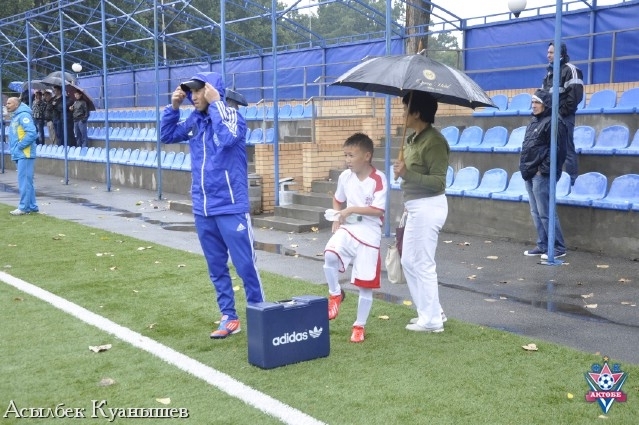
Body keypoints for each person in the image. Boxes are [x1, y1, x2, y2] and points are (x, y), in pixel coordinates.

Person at [160, 71, 264, 339]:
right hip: (203, 208)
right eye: (191, 92)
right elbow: (167, 135)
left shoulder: (233, 117)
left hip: (230, 206)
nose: (193, 97)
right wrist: (173, 108)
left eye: (198, 91)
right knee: (216, 268)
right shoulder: (194, 120)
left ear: (211, 90)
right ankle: (229, 317)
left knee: (245, 266)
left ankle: (259, 313)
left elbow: (228, 138)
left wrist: (217, 103)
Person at [392, 91, 449, 333]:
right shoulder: (412, 139)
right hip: (415, 206)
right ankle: (431, 311)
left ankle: (432, 321)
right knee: (408, 260)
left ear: (416, 112)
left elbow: (438, 182)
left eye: (405, 109)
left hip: (429, 206)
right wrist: (402, 173)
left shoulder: (434, 142)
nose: (402, 113)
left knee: (423, 262)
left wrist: (407, 174)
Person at [323, 132, 387, 343]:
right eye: (346, 155)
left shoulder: (378, 179)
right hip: (349, 228)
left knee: (365, 285)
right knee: (330, 254)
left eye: (351, 155)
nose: (347, 160)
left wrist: (349, 210)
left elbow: (377, 210)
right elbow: (337, 199)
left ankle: (359, 326)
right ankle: (335, 294)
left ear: (367, 156)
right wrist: (337, 217)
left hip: (370, 233)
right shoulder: (345, 177)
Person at [521, 89, 569, 260]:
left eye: (537, 102)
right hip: (530, 172)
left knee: (546, 212)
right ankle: (543, 245)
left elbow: (559, 150)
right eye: (532, 102)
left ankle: (558, 247)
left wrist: (543, 170)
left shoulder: (555, 122)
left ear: (546, 104)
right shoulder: (534, 121)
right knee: (536, 212)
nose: (533, 105)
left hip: (542, 174)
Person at [541, 42, 583, 185]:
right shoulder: (549, 74)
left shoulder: (571, 70)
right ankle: (554, 182)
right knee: (549, 149)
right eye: (548, 52)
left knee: (567, 149)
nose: (548, 55)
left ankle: (572, 183)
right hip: (550, 118)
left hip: (564, 117)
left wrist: (560, 114)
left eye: (551, 52)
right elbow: (543, 96)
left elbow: (575, 97)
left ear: (560, 53)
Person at [6, 97, 39, 215]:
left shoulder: (23, 116)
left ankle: (23, 207)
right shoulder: (16, 116)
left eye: (9, 103)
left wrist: (20, 146)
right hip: (20, 153)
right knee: (27, 181)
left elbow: (32, 133)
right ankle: (32, 206)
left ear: (16, 104)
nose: (7, 105)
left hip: (25, 153)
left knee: (24, 181)